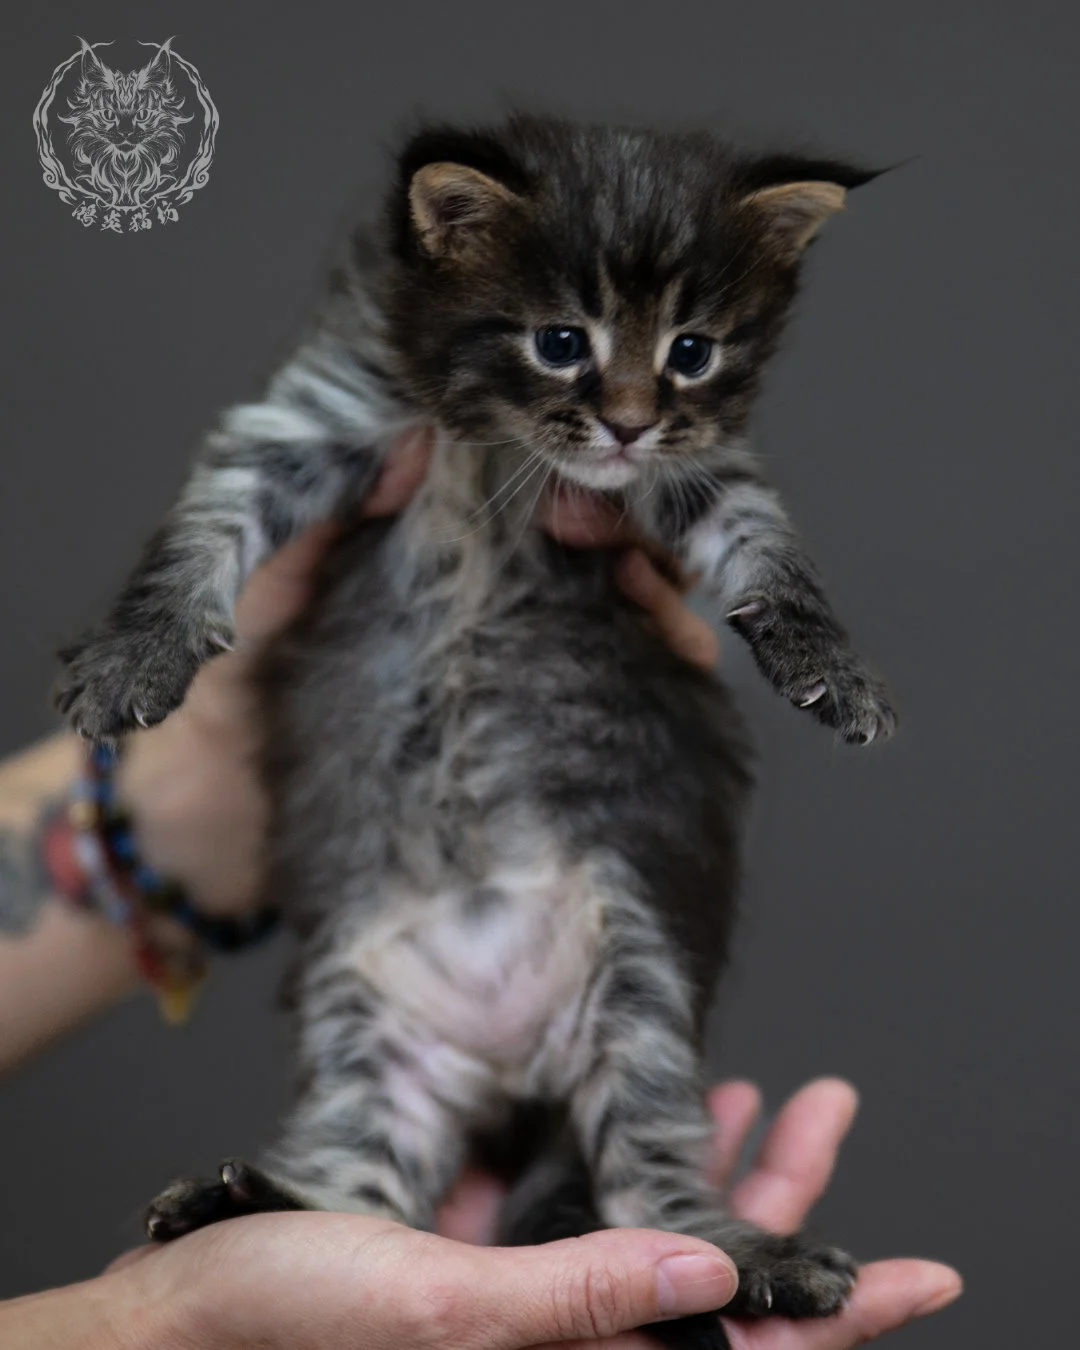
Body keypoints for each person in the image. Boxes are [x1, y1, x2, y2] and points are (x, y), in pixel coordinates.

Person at [0, 430, 961, 1347]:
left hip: (536, 866)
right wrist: (160, 1325)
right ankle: (346, 1198)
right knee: (389, 1072)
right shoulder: (386, 383)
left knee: (614, 959)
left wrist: (204, 762)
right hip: (402, 885)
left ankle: (641, 1202)